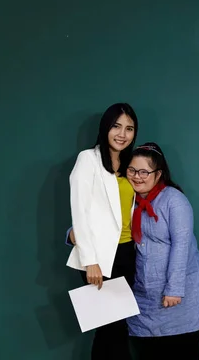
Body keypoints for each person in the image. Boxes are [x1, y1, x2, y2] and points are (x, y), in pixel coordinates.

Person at [125, 142, 199, 359]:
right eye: (132, 170)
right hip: (145, 298)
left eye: (144, 171)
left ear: (159, 174)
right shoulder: (128, 200)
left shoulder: (174, 200)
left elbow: (181, 244)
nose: (137, 176)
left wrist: (174, 288)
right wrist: (76, 233)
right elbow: (103, 222)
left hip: (179, 299)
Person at [65, 102, 139, 359]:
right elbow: (80, 211)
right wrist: (90, 261)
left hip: (128, 254)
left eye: (129, 128)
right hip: (100, 259)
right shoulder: (88, 159)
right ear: (105, 128)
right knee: (111, 329)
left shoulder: (132, 165)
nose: (122, 134)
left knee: (117, 330)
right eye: (116, 126)